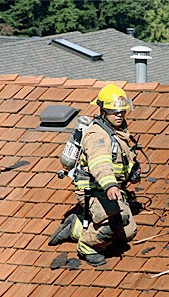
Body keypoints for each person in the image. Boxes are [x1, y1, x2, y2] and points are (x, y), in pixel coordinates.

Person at [49, 84, 140, 266]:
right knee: (114, 222)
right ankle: (87, 247)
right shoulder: (98, 135)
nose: (119, 115)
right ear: (103, 111)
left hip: (109, 191)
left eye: (122, 111)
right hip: (93, 190)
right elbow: (100, 164)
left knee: (128, 233)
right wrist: (110, 185)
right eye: (114, 111)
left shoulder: (118, 132)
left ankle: (75, 226)